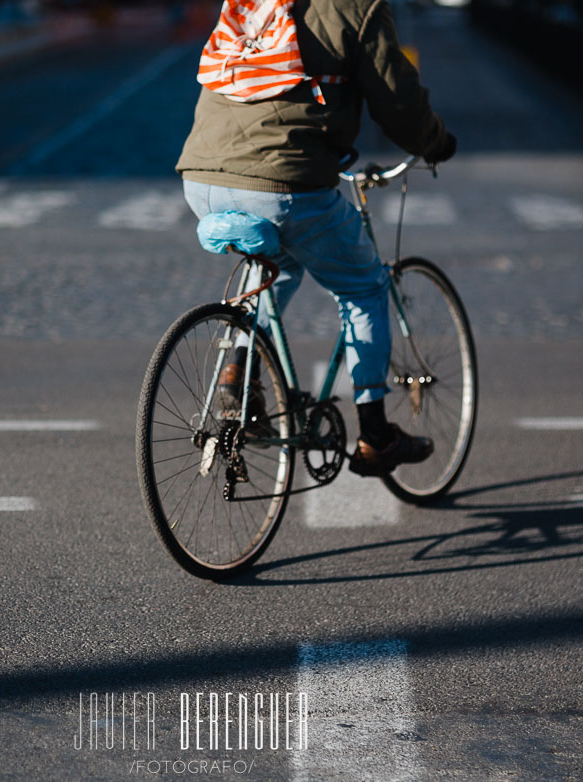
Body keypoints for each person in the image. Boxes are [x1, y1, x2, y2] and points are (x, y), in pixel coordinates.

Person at [176, 0, 457, 478]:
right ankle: (375, 436)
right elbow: (397, 98)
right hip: (284, 184)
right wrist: (434, 142)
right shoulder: (358, 6)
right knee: (365, 286)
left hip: (201, 178)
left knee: (280, 263)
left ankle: (236, 372)